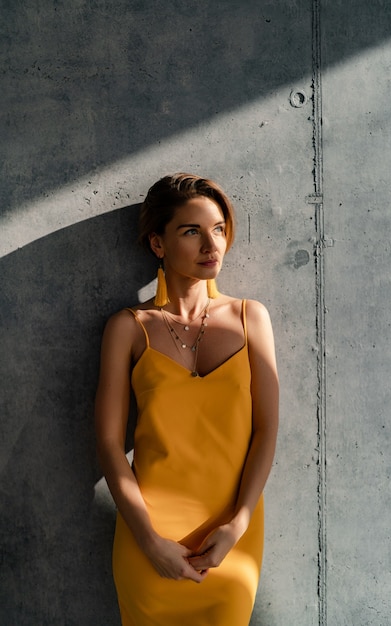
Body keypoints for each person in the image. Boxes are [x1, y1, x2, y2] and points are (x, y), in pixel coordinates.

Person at [95, 173, 279, 626]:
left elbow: (266, 429)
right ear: (158, 244)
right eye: (191, 231)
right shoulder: (128, 327)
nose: (211, 244)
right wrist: (149, 540)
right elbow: (107, 445)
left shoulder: (250, 317)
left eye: (218, 229)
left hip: (230, 539)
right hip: (148, 538)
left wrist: (237, 524)